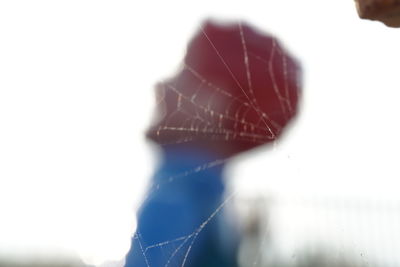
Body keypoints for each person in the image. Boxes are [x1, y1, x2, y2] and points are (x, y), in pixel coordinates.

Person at [124, 20, 301, 267]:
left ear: (214, 103)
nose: (162, 86)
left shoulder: (174, 196)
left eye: (184, 72)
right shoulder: (218, 202)